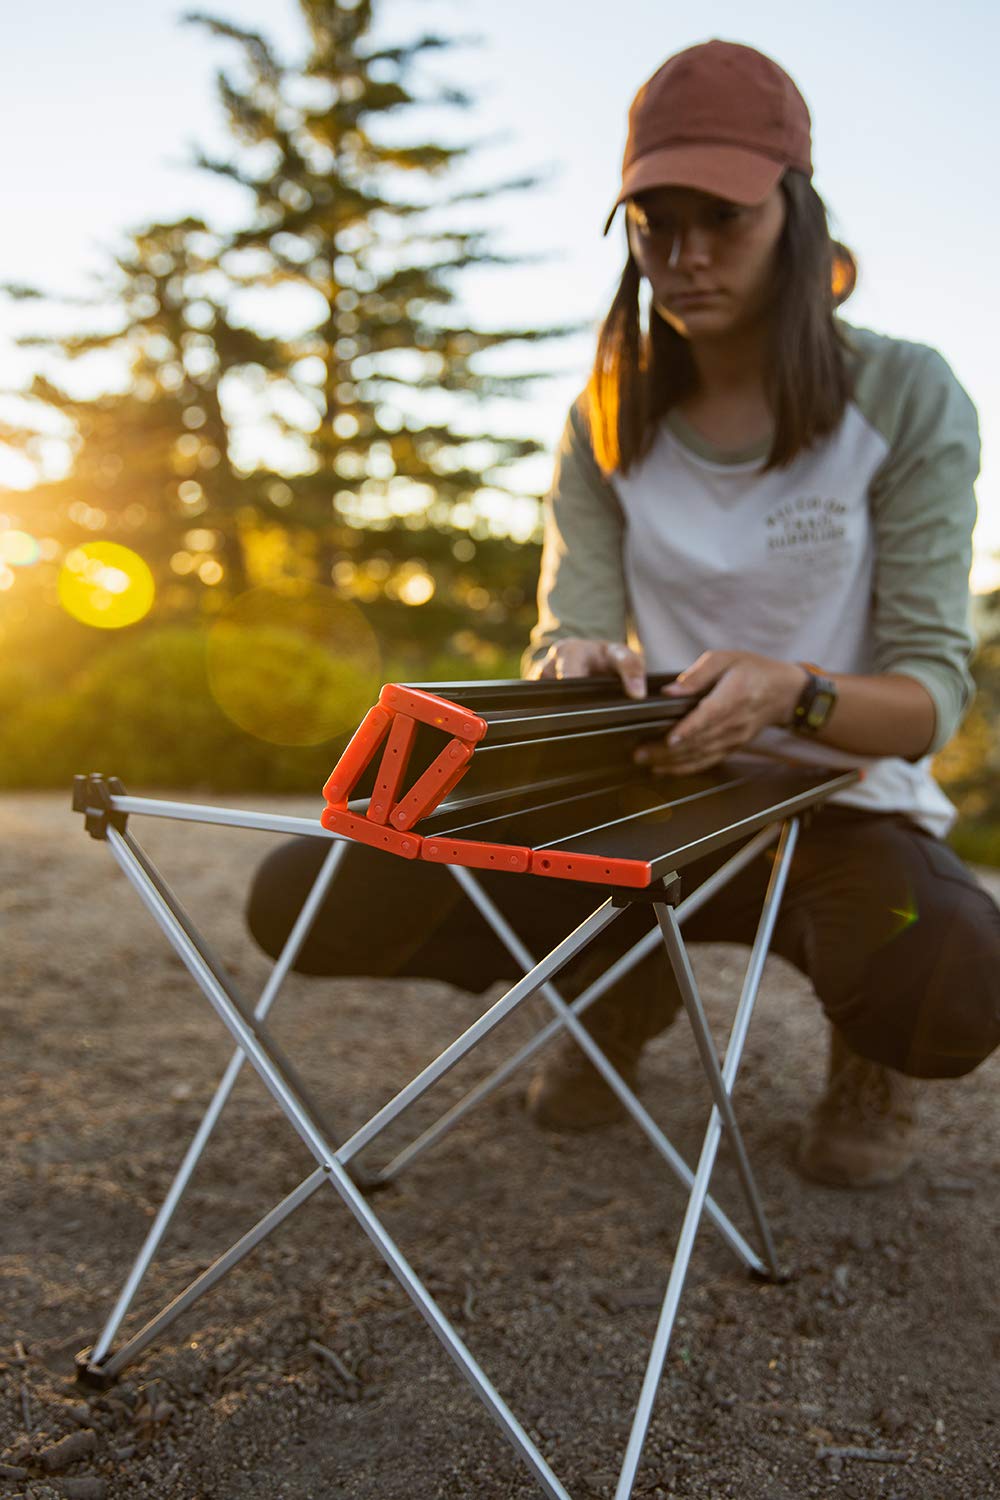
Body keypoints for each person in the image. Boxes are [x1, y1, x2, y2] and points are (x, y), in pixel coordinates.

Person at [247, 39, 1000, 1190]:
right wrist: (571, 663)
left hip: (841, 809)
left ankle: (868, 1049)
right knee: (308, 899)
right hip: (645, 811)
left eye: (722, 218)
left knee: (949, 977)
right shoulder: (603, 418)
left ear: (794, 217)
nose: (684, 256)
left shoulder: (903, 392)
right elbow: (565, 630)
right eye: (653, 223)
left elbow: (926, 702)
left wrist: (790, 691)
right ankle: (618, 983)